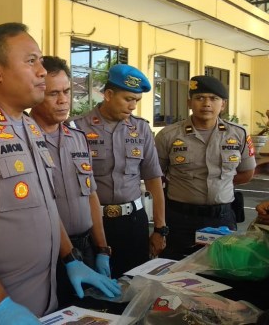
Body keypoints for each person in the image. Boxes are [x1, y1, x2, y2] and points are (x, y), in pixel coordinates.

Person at [0, 22, 120, 325]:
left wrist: (71, 258)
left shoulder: (29, 127)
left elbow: (46, 205)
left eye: (41, 61)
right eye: (31, 61)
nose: (42, 71)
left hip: (40, 303)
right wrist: (0, 305)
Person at [69, 64, 166, 278]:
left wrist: (160, 228)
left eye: (136, 101)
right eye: (128, 99)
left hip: (133, 224)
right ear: (109, 94)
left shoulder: (141, 128)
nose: (132, 106)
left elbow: (153, 179)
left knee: (134, 285)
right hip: (92, 225)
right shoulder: (76, 129)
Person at [30, 56, 112, 307]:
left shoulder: (77, 137)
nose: (64, 99)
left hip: (86, 248)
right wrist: (69, 258)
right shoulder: (24, 139)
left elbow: (91, 195)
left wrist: (102, 249)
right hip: (48, 254)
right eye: (53, 93)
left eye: (67, 91)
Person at [155, 75, 255, 259]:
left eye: (213, 98)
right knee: (175, 270)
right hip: (179, 218)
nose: (206, 103)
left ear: (222, 104)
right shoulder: (168, 135)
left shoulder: (239, 134)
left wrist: (221, 183)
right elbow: (156, 176)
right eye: (200, 98)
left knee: (221, 269)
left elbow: (247, 173)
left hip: (222, 217)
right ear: (189, 103)